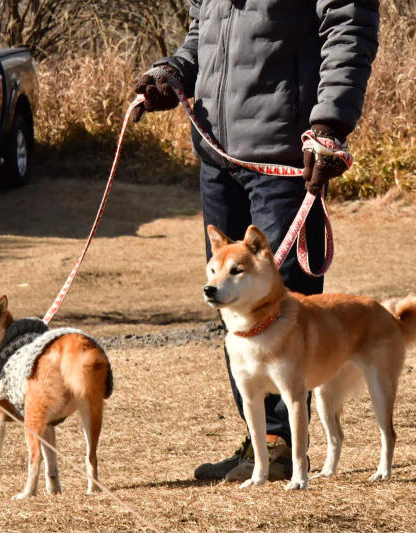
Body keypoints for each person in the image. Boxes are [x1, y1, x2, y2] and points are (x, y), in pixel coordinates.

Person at [133, 0, 379, 481]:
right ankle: (261, 443)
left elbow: (349, 29)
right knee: (231, 296)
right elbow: (200, 40)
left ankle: (281, 441)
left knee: (282, 298)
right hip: (217, 156)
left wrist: (329, 124)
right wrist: (173, 73)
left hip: (285, 155)